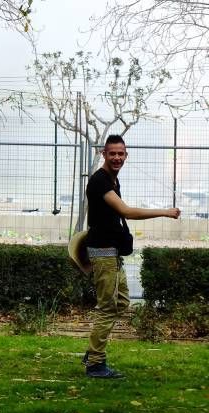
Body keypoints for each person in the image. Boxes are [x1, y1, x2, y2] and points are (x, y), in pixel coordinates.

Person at [83, 134, 180, 378]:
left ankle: (93, 351)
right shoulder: (100, 181)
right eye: (112, 153)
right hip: (103, 253)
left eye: (121, 153)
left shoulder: (112, 181)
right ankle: (95, 363)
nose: (117, 157)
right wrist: (165, 212)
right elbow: (126, 211)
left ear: (126, 155)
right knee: (107, 307)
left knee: (122, 302)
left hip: (112, 253)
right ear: (104, 154)